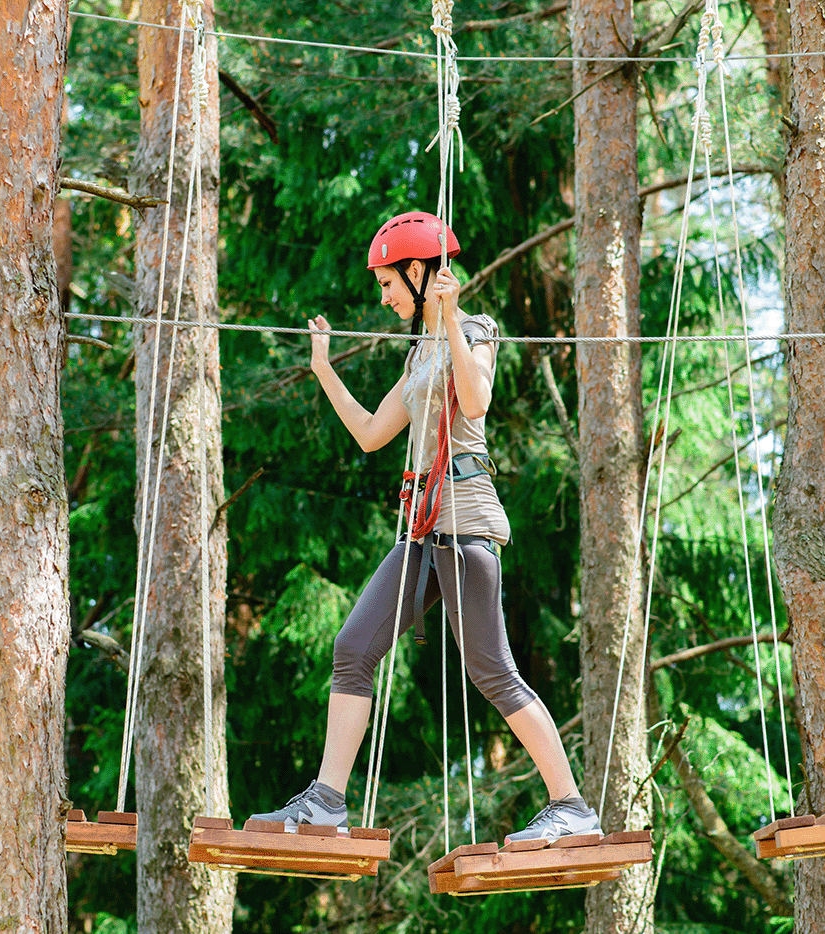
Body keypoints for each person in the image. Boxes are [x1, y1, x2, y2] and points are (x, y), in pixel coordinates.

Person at [250, 211, 598, 844]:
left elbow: (477, 400)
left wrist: (450, 318)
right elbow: (369, 434)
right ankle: (326, 800)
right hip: (421, 530)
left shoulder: (474, 331)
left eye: (387, 283)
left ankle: (570, 804)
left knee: (493, 669)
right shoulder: (417, 355)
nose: (382, 298)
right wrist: (324, 367)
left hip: (465, 523)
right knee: (353, 649)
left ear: (418, 271)